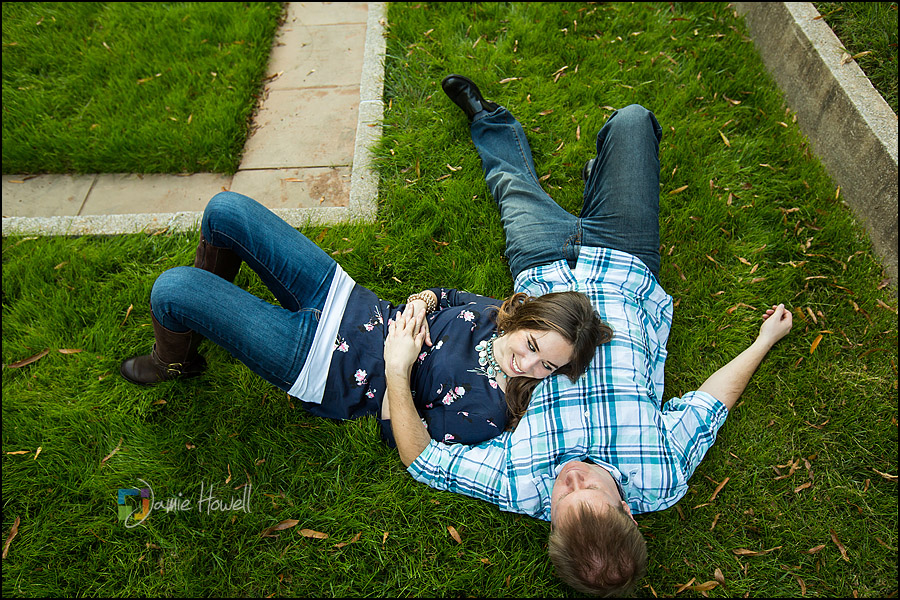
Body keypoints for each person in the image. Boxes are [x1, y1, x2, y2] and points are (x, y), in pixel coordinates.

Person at [381, 75, 793, 596]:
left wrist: (397, 368)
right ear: (628, 510)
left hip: (541, 271)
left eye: (562, 497)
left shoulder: (517, 484)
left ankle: (487, 114)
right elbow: (712, 403)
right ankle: (599, 179)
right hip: (626, 262)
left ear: (551, 525)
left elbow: (423, 461)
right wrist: (763, 342)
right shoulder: (662, 473)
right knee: (633, 120)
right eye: (589, 490)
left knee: (510, 179)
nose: (572, 477)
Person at [119, 191, 612, 447]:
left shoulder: (489, 413)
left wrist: (399, 366)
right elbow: (440, 295)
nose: (529, 366)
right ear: (523, 319)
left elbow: (398, 436)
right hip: (344, 298)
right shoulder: (494, 315)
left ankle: (175, 361)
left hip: (317, 364)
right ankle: (207, 316)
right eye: (532, 346)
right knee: (224, 210)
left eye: (548, 366)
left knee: (172, 288)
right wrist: (419, 304)